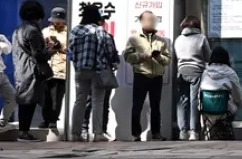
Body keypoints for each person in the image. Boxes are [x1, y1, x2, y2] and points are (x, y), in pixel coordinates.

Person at [69, 4, 118, 143]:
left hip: (80, 71)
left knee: (80, 101)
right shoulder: (99, 30)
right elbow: (109, 49)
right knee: (98, 102)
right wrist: (113, 61)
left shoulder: (75, 30)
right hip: (97, 70)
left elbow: (70, 51)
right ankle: (98, 134)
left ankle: (75, 134)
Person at [123, 10, 171, 141]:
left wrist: (159, 57)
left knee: (156, 106)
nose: (151, 22)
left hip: (157, 77)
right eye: (147, 19)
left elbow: (168, 60)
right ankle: (136, 134)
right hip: (141, 75)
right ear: (141, 21)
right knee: (137, 105)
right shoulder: (133, 39)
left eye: (153, 20)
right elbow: (127, 57)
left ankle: (156, 133)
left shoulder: (161, 40)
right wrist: (142, 56)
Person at [12, 0, 55, 141]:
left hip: (21, 69)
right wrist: (50, 51)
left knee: (25, 101)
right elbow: (38, 54)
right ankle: (24, 133)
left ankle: (23, 131)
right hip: (31, 71)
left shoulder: (18, 30)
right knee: (29, 102)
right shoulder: (32, 30)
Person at [81, 12, 118, 141]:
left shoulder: (108, 36)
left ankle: (101, 130)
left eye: (102, 21)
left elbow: (113, 54)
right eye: (100, 20)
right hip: (91, 72)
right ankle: (84, 129)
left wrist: (115, 61)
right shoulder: (84, 35)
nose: (102, 23)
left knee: (103, 102)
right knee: (88, 101)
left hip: (102, 73)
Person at [174, 16, 211, 141]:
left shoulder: (178, 39)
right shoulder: (201, 38)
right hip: (196, 71)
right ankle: (193, 131)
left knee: (182, 101)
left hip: (181, 71)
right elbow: (208, 57)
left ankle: (182, 131)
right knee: (194, 100)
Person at [199, 46, 242, 140]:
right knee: (235, 104)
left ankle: (210, 133)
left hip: (206, 111)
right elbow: (238, 95)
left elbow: (199, 93)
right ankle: (224, 131)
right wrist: (241, 104)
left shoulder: (205, 73)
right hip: (224, 112)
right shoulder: (230, 73)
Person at [40, 7, 68, 130]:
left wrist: (59, 46)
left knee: (56, 98)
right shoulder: (45, 31)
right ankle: (45, 119)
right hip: (46, 69)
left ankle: (53, 120)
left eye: (59, 21)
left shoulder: (68, 33)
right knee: (45, 98)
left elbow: (70, 51)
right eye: (55, 21)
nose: (57, 23)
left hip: (60, 70)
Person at [0, 32, 16, 131]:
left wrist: (3, 40)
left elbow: (7, 50)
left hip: (1, 74)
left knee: (12, 97)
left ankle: (2, 122)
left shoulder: (0, 37)